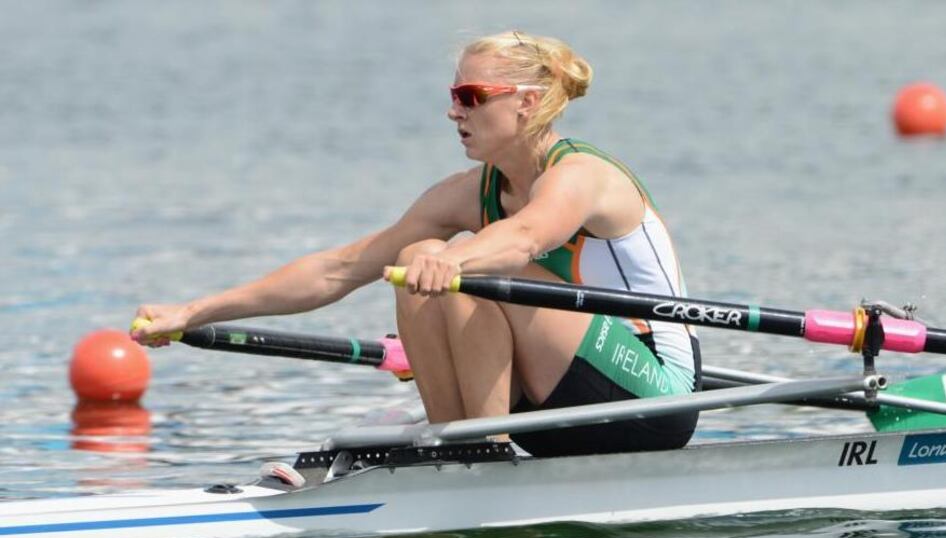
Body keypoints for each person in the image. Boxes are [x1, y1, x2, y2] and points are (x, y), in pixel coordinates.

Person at [132, 30, 701, 458]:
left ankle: (482, 452)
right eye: (454, 94)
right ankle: (457, 449)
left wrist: (450, 258)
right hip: (559, 396)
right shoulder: (464, 194)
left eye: (471, 95)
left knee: (460, 271)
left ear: (526, 103)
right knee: (411, 258)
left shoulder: (581, 176)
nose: (453, 110)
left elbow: (524, 238)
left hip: (655, 397)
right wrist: (195, 311)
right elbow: (338, 269)